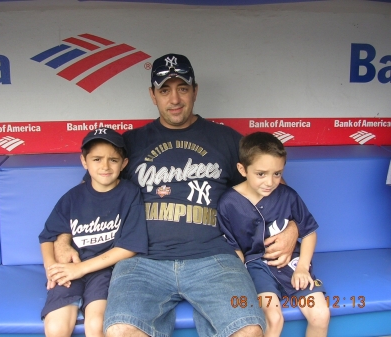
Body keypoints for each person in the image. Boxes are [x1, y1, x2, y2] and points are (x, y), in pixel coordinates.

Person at [54, 53, 299, 337]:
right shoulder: (128, 144)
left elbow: (276, 189)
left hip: (215, 258)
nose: (175, 99)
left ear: (195, 91)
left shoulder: (228, 140)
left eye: (182, 88)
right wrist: (62, 238)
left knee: (248, 331)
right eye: (165, 90)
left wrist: (293, 228)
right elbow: (86, 198)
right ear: (152, 95)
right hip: (141, 262)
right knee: (120, 331)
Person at [217, 132, 330, 337]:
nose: (270, 181)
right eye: (261, 174)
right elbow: (235, 250)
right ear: (242, 169)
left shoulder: (288, 195)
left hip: (291, 263)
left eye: (277, 173)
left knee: (321, 314)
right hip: (256, 268)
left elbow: (309, 233)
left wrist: (303, 267)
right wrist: (240, 280)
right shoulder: (228, 203)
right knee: (274, 318)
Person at [38, 128, 148, 337]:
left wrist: (80, 270)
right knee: (55, 327)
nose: (105, 166)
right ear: (84, 161)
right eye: (97, 159)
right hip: (71, 267)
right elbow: (47, 236)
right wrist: (52, 268)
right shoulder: (73, 196)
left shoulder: (130, 193)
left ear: (124, 163)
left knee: (96, 325)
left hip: (105, 270)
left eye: (113, 160)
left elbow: (130, 247)